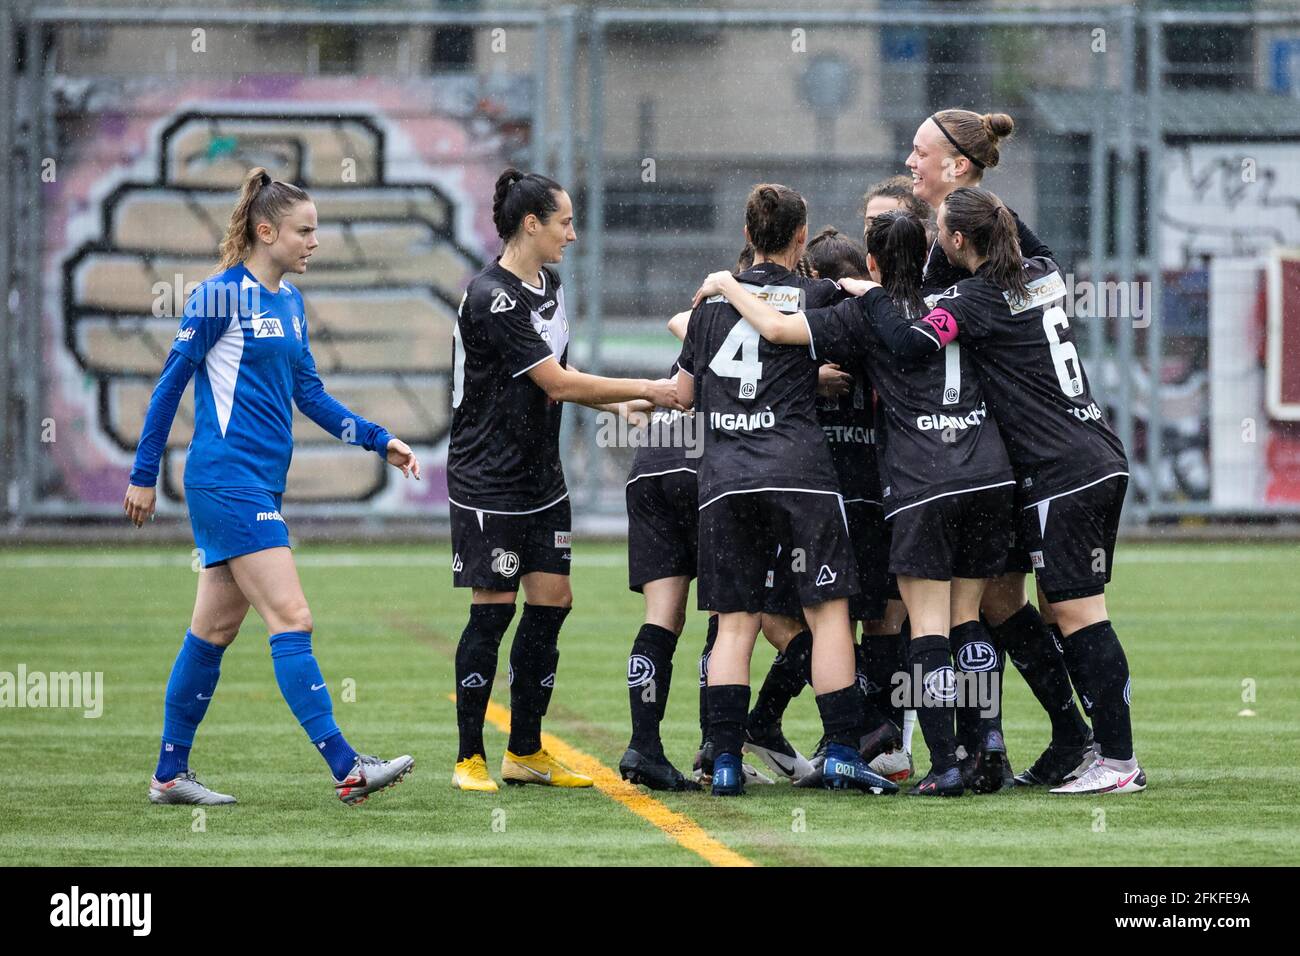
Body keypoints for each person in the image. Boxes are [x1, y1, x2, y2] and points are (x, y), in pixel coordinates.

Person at [694, 209, 1018, 796]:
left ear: (869, 263)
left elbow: (773, 330)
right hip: (985, 474)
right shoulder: (963, 300)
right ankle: (980, 741)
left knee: (752, 625)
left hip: (908, 483)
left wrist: (725, 284)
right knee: (958, 618)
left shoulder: (853, 316)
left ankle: (730, 755)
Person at [124, 167, 421, 806]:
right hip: (225, 482)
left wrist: (377, 439)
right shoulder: (219, 297)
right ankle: (346, 766)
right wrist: (144, 475)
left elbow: (307, 393)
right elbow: (168, 385)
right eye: (304, 231)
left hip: (258, 486)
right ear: (267, 232)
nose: (315, 242)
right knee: (292, 616)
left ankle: (169, 775)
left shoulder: (289, 303)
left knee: (212, 632)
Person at [845, 187, 1143, 795]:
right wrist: (960, 191)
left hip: (1062, 469)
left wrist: (870, 293)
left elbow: (909, 343)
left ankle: (1117, 759)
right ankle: (1077, 742)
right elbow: (1029, 237)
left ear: (957, 242)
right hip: (1096, 452)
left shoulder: (976, 299)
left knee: (1079, 611)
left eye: (942, 232)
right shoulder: (1043, 272)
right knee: (1043, 606)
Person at [448, 167, 681, 793]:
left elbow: (559, 374)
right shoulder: (490, 296)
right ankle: (469, 756)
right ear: (532, 224)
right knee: (493, 609)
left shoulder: (547, 286)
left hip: (541, 480)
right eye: (565, 222)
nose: (573, 235)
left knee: (553, 601)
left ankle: (525, 752)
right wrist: (648, 388)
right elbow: (553, 382)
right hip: (486, 480)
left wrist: (615, 407)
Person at [680, 183, 898, 797]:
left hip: (726, 479)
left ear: (749, 235)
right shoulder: (818, 293)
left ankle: (723, 761)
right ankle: (843, 753)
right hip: (800, 472)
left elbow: (679, 395)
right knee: (829, 618)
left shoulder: (710, 307)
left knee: (735, 624)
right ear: (802, 239)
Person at [908, 110, 1094, 786]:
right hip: (967, 454)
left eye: (921, 151)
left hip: (996, 455)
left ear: (958, 165)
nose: (911, 162)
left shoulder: (979, 238)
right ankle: (1022, 742)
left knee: (992, 602)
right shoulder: (950, 238)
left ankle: (1018, 743)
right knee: (994, 604)